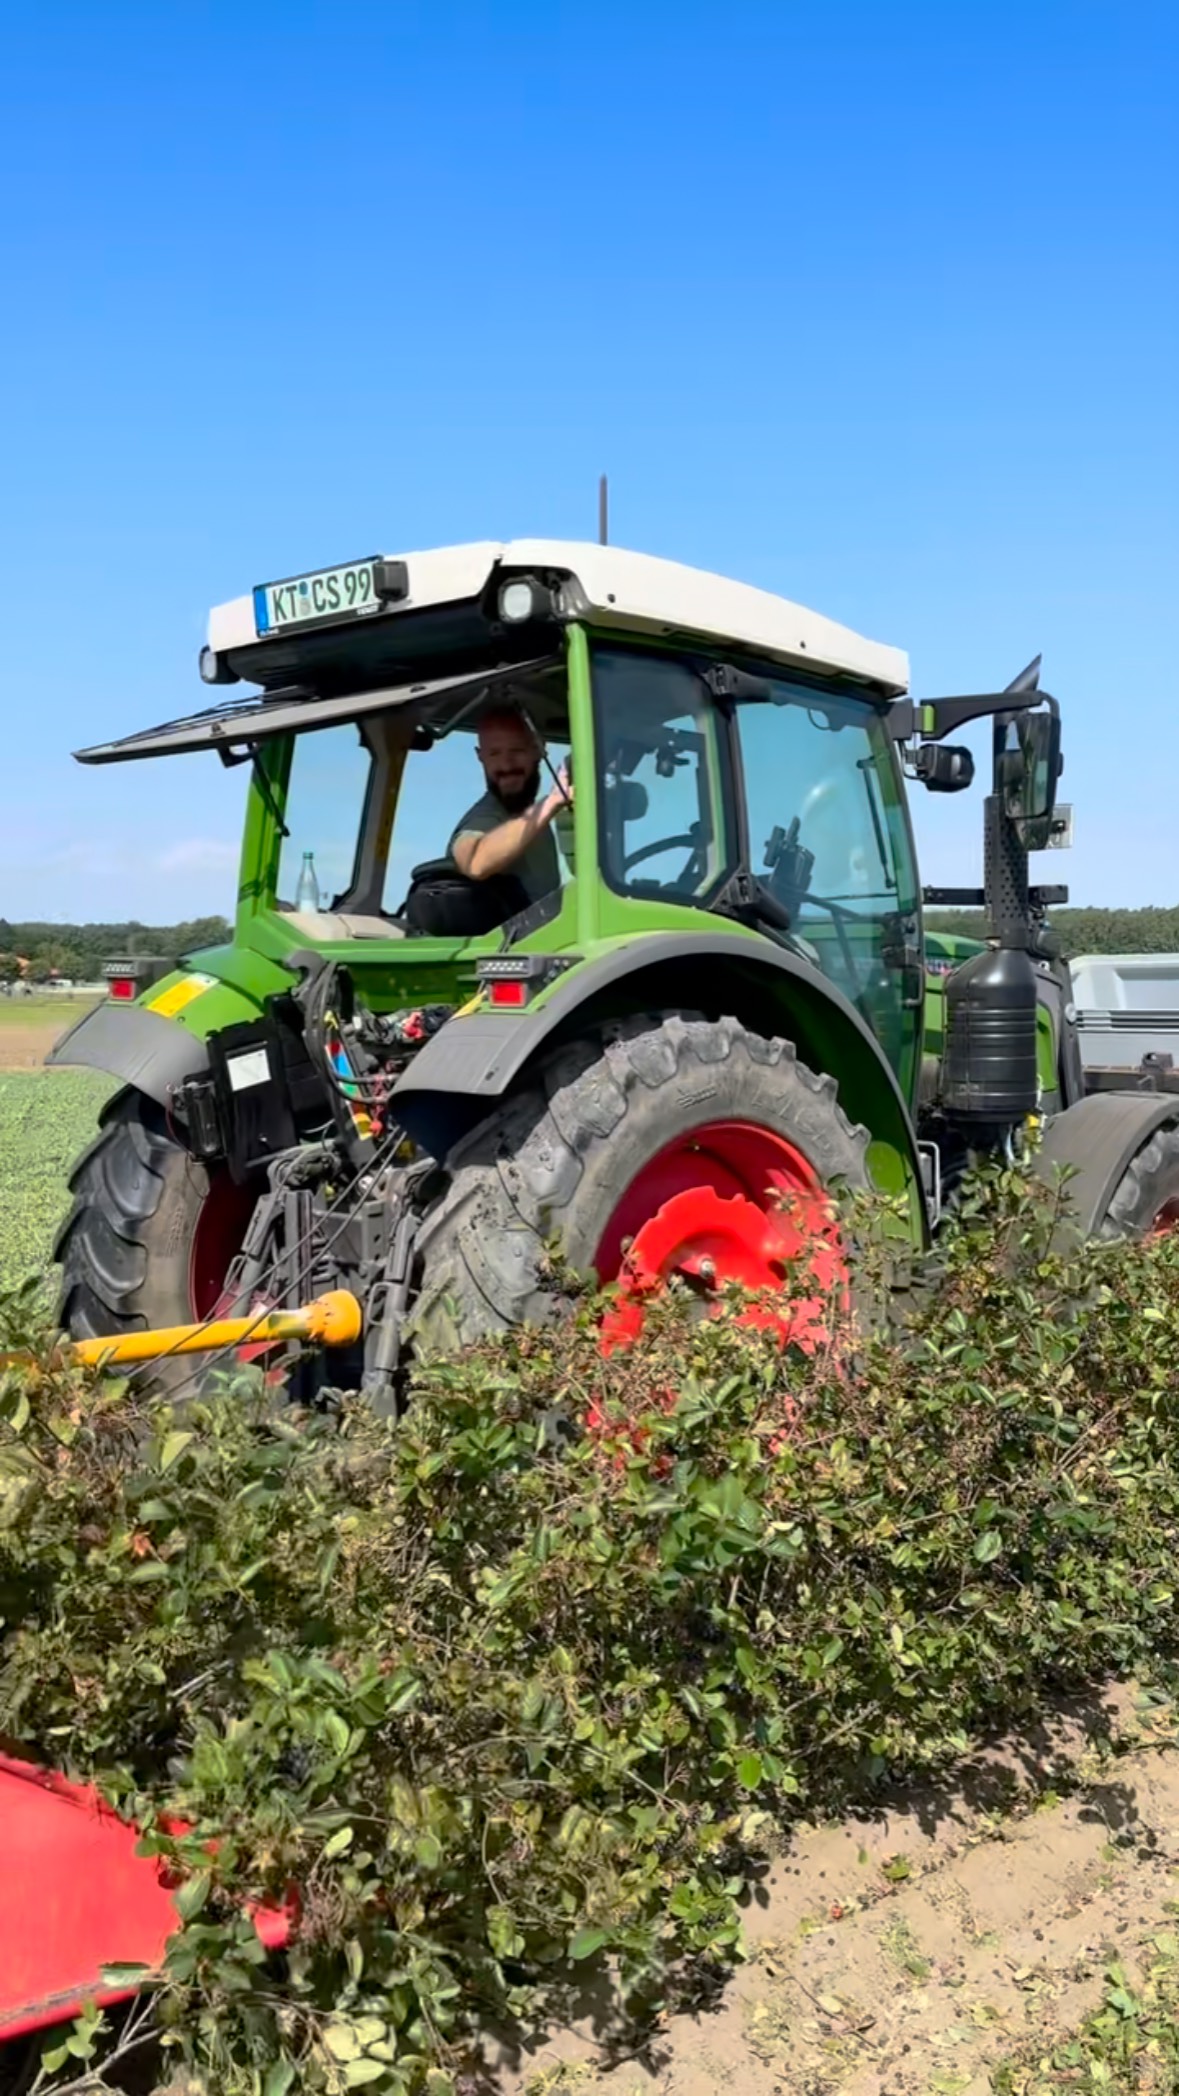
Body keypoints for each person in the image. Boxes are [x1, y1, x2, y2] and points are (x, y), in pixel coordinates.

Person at [447, 707, 573, 903]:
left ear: (538, 749)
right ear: (480, 756)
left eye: (517, 751)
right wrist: (551, 802)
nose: (506, 765)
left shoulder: (534, 816)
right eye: (494, 754)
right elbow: (474, 862)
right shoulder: (486, 817)